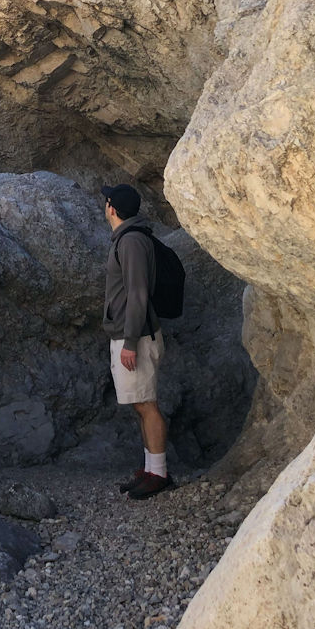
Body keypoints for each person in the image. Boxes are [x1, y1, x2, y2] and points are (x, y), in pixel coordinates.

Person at [101, 182, 172, 499]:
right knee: (141, 405)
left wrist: (130, 342)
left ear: (111, 208)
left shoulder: (130, 242)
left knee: (147, 405)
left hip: (137, 337)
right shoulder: (128, 238)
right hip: (132, 334)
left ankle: (159, 474)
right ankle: (150, 469)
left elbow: (137, 295)